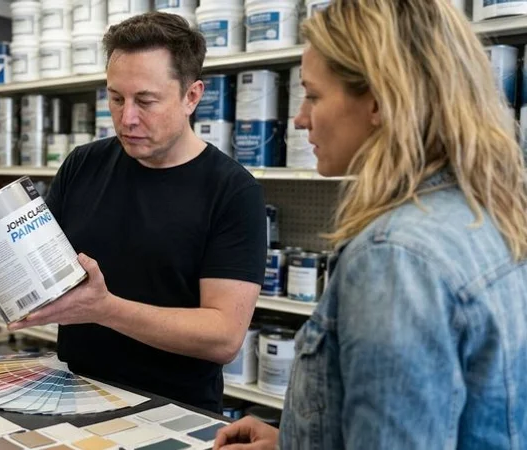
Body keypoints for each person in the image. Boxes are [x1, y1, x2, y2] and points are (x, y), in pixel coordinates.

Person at [214, 0, 527, 448]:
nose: (300, 119)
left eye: (314, 95)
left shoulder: (394, 257)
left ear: (379, 100)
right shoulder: (487, 213)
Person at [0, 12, 266, 413]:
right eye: (116, 98)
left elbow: (223, 337)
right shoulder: (83, 164)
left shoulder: (233, 191)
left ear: (192, 96)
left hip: (173, 413)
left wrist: (105, 309)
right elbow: (46, 277)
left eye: (145, 101)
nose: (126, 117)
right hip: (72, 396)